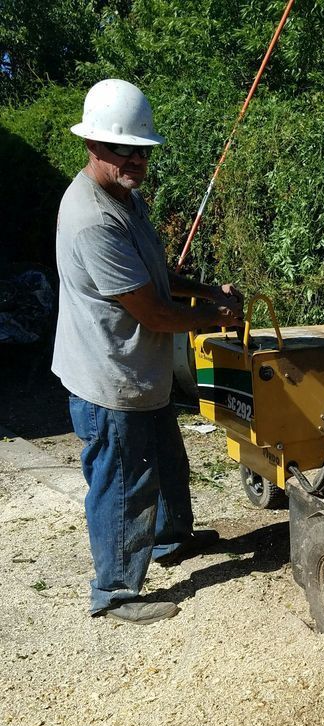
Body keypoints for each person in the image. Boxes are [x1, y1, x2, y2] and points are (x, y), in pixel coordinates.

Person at [52, 79, 244, 625]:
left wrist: (206, 292)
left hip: (139, 372)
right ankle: (113, 591)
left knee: (165, 464)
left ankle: (169, 540)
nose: (137, 159)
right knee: (123, 484)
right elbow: (154, 313)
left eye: (143, 149)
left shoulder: (123, 199)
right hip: (110, 381)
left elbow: (157, 278)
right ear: (93, 146)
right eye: (123, 149)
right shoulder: (93, 220)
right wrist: (216, 316)